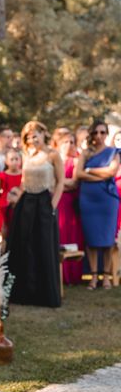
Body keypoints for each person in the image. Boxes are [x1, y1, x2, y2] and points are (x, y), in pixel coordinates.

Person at [8, 121, 64, 307]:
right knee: (25, 246)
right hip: (26, 203)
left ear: (43, 134)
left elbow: (61, 182)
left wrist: (53, 206)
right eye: (29, 136)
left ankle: (46, 295)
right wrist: (16, 195)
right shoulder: (27, 155)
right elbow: (24, 181)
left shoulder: (53, 154)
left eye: (35, 135)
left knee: (44, 246)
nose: (32, 139)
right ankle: (25, 293)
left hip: (44, 203)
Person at [76, 120, 120, 290]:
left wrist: (90, 171)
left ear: (106, 134)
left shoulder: (113, 152)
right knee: (91, 239)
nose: (99, 136)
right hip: (88, 199)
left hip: (107, 200)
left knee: (108, 239)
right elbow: (78, 173)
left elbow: (112, 171)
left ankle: (107, 276)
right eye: (96, 132)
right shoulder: (86, 153)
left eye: (102, 132)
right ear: (91, 135)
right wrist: (100, 176)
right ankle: (94, 276)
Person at [52, 128, 84, 285]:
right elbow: (50, 183)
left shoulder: (76, 161)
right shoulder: (53, 161)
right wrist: (60, 184)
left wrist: (58, 183)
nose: (69, 145)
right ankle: (59, 274)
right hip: (57, 202)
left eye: (72, 142)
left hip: (71, 203)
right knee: (59, 233)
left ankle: (73, 274)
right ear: (58, 144)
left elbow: (74, 183)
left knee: (72, 235)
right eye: (66, 142)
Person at [0, 149, 22, 242]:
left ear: (21, 160)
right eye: (12, 159)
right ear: (6, 161)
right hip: (5, 207)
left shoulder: (24, 174)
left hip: (19, 205)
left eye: (17, 159)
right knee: (4, 232)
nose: (14, 162)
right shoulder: (2, 175)